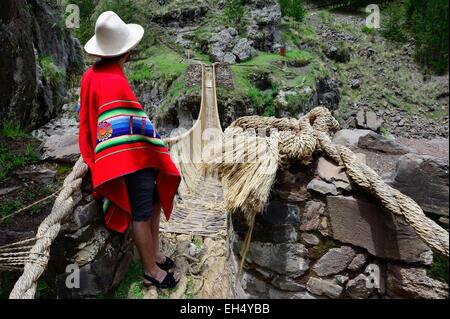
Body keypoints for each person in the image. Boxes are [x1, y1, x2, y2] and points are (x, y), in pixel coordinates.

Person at [79, 11, 182, 289]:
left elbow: (89, 118)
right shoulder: (115, 80)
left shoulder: (90, 76)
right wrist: (154, 146)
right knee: (142, 211)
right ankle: (151, 270)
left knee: (154, 200)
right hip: (132, 159)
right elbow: (129, 121)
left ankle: (155, 254)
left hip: (116, 156)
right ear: (125, 51)